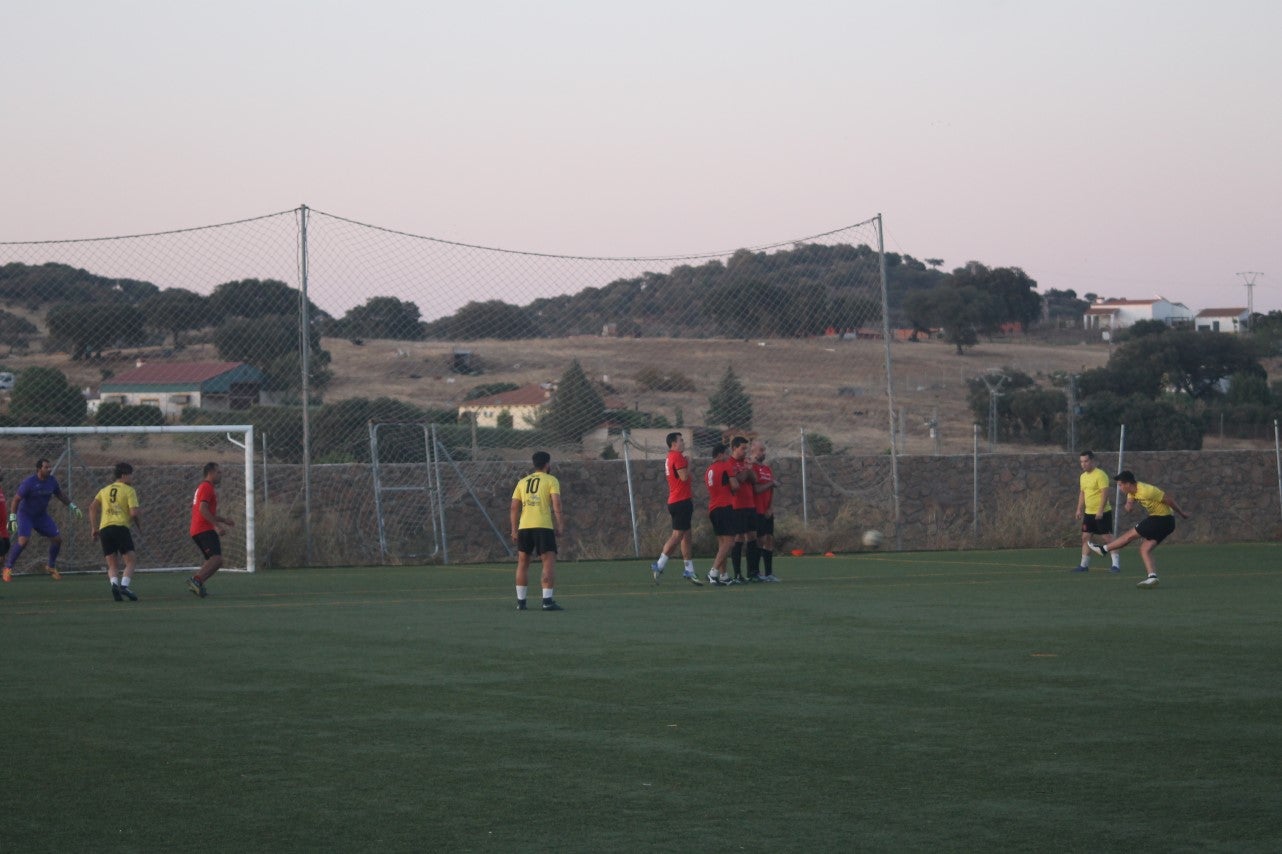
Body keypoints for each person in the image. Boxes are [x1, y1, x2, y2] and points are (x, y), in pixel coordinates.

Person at [1088, 470, 1190, 589]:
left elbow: (1169, 500)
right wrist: (1129, 505)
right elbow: (1130, 500)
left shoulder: (1147, 491)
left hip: (1163, 519)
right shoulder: (1132, 491)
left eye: (1120, 485)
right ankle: (1152, 577)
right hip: (1164, 523)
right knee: (1144, 549)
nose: (1120, 488)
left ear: (1128, 484)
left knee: (1130, 535)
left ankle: (1104, 549)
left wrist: (1182, 513)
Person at [4, 458, 81, 582]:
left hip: (41, 516)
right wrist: (12, 517)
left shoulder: (52, 481)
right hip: (26, 515)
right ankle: (7, 568)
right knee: (23, 541)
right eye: (46, 467)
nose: (49, 469)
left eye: (49, 467)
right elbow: (16, 499)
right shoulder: (29, 483)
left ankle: (50, 566)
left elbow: (60, 494)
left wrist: (72, 506)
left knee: (57, 540)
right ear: (39, 469)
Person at [510, 451, 565, 611]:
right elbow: (557, 505)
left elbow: (514, 507)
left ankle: (521, 603)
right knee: (547, 562)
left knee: (522, 564)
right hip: (543, 526)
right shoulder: (551, 480)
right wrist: (560, 524)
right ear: (547, 464)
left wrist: (514, 529)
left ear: (534, 464)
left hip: (524, 527)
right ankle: (547, 601)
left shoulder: (522, 482)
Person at [650, 432, 702, 585]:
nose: (683, 442)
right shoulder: (677, 457)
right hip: (681, 501)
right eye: (681, 440)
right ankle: (659, 564)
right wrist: (689, 464)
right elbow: (684, 477)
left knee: (686, 535)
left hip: (677, 500)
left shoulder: (670, 457)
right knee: (678, 535)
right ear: (674, 443)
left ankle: (689, 569)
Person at [89, 462, 141, 601]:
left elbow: (92, 507)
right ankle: (124, 586)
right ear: (124, 475)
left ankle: (114, 585)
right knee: (131, 561)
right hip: (120, 527)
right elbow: (134, 513)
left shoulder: (104, 490)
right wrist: (138, 525)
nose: (132, 478)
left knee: (112, 564)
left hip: (105, 529)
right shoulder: (129, 490)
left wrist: (94, 528)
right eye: (131, 475)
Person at [188, 462, 235, 598]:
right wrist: (216, 526)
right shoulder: (207, 487)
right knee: (216, 559)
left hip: (199, 528)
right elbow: (203, 509)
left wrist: (224, 520)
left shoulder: (204, 487)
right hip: (203, 528)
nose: (221, 475)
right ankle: (196, 580)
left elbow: (206, 510)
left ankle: (198, 582)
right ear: (211, 473)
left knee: (215, 560)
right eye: (219, 472)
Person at [1073, 450, 1120, 573]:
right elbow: (1082, 493)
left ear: (1092, 461)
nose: (1083, 464)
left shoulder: (1100, 475)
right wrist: (1079, 509)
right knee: (1085, 537)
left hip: (1102, 512)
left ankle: (1116, 565)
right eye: (1081, 462)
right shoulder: (1082, 477)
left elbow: (1105, 494)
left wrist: (1100, 510)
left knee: (1107, 537)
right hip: (1089, 513)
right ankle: (1084, 565)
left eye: (1086, 461)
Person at [704, 443, 737, 586]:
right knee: (729, 542)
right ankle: (713, 572)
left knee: (722, 544)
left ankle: (724, 576)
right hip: (724, 507)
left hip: (713, 509)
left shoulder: (708, 470)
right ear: (719, 455)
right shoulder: (725, 466)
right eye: (726, 453)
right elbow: (735, 485)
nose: (728, 456)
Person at [750, 439, 780, 582]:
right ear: (753, 451)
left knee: (769, 540)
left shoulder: (767, 469)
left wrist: (770, 507)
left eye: (764, 450)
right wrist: (770, 484)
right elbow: (756, 489)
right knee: (759, 540)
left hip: (767, 510)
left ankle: (769, 573)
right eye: (760, 450)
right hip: (757, 510)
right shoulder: (752, 468)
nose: (763, 453)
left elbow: (771, 491)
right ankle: (755, 572)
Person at [728, 436, 757, 583]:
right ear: (734, 448)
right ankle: (737, 573)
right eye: (742, 449)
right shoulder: (730, 463)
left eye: (746, 449)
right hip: (737, 505)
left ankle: (752, 572)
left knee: (752, 536)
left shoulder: (745, 463)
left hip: (750, 504)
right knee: (738, 537)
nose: (745, 452)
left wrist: (749, 470)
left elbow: (754, 480)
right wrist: (745, 471)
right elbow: (736, 481)